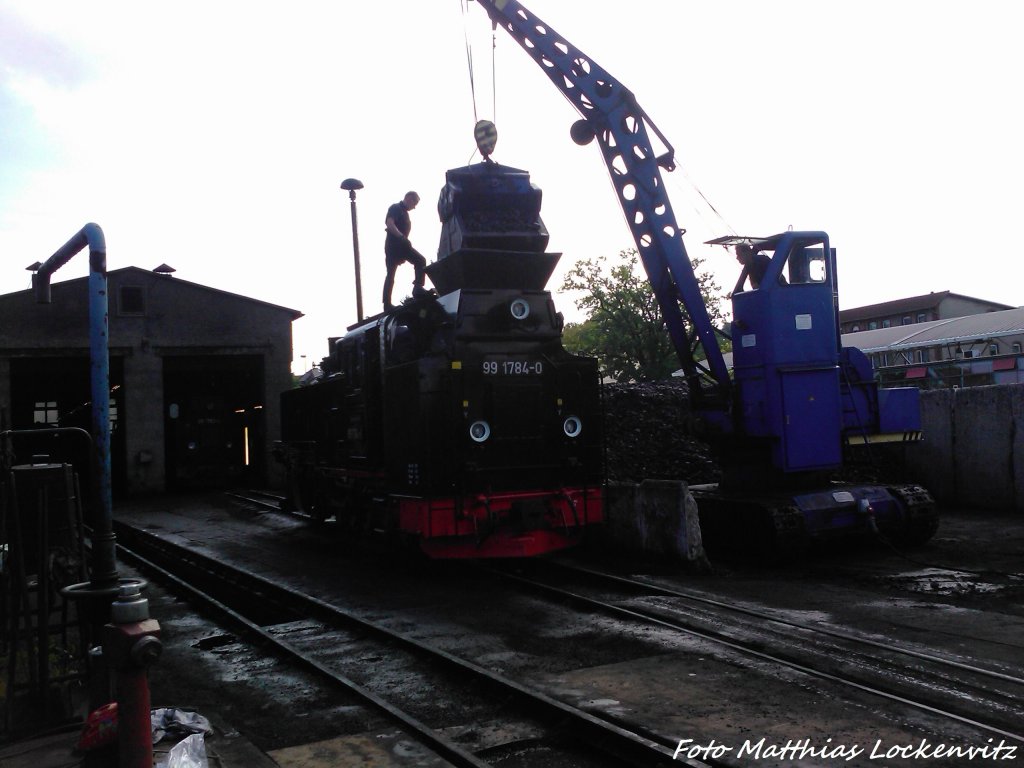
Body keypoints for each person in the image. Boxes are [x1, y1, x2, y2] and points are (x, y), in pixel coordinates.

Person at [383, 191, 428, 311]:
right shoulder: (396, 208)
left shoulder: (405, 213)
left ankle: (418, 288)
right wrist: (401, 237)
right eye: (415, 203)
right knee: (391, 274)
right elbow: (390, 223)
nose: (415, 207)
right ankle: (387, 304)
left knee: (420, 261)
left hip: (402, 246)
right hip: (394, 246)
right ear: (408, 198)